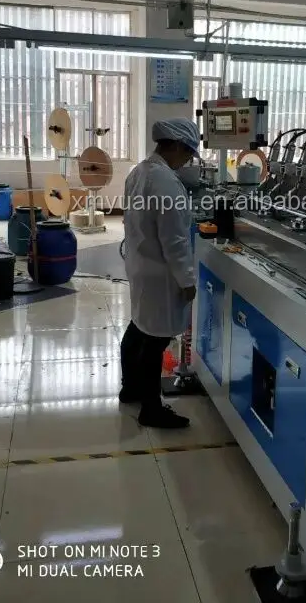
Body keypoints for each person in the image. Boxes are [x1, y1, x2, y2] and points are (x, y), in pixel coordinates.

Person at [118, 117, 200, 428]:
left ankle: (130, 389)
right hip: (160, 273)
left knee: (139, 327)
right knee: (155, 341)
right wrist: (187, 280)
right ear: (176, 146)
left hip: (140, 264)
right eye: (188, 153)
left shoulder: (139, 171)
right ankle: (151, 409)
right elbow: (175, 242)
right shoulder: (166, 183)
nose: (187, 161)